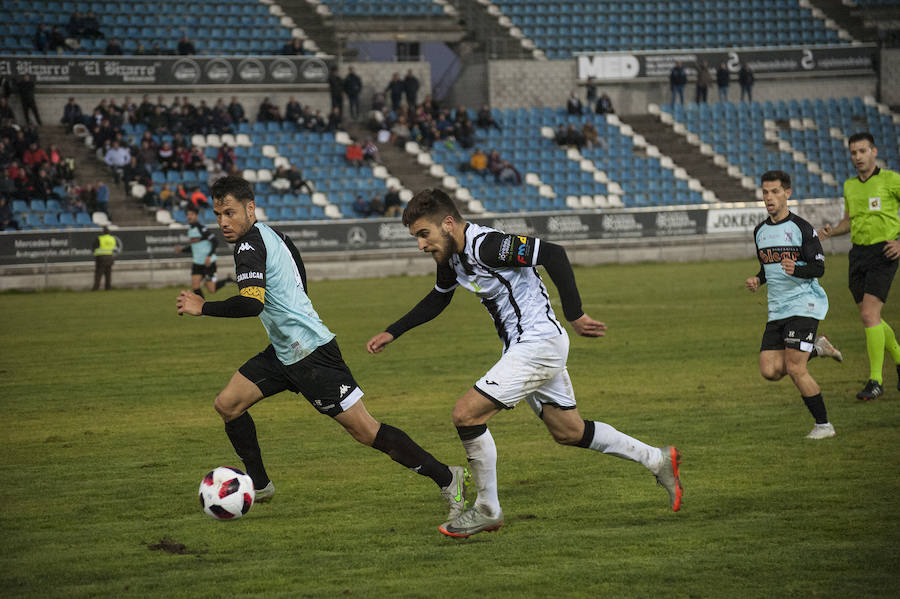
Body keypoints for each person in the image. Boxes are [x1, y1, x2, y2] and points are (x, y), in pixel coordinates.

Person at [365, 189, 683, 538]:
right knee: (569, 432)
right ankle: (657, 458)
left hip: (538, 345)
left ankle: (487, 508)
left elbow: (553, 254)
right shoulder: (450, 257)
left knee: (466, 415)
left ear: (448, 223)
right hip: (527, 348)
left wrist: (575, 314)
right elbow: (439, 298)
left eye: (424, 234)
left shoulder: (488, 245)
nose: (421, 245)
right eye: (416, 238)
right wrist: (392, 332)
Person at [175, 176, 470, 523]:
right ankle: (260, 482)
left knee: (365, 431)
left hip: (312, 356)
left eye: (230, 212)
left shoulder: (248, 246)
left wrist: (203, 307)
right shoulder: (272, 235)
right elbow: (298, 275)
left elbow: (251, 303)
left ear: (249, 208)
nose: (223, 221)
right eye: (218, 214)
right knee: (228, 404)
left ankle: (449, 477)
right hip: (286, 351)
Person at [745, 171, 843, 439]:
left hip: (804, 304)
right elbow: (768, 266)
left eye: (775, 192)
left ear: (787, 193)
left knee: (796, 368)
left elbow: (819, 267)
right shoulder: (760, 231)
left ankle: (824, 425)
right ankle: (817, 347)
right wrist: (758, 279)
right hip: (777, 309)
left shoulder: (801, 227)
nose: (769, 198)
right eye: (765, 192)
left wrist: (797, 270)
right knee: (770, 370)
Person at [817, 132, 900, 400]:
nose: (858, 157)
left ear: (874, 152)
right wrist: (832, 230)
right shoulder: (850, 185)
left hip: (884, 251)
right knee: (870, 317)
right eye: (853, 152)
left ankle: (875, 381)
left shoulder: (891, 180)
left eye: (862, 151)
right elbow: (849, 220)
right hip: (859, 255)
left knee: (868, 316)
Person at [175, 205, 231, 297]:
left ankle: (227, 280)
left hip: (208, 263)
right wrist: (182, 250)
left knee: (211, 290)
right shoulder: (190, 230)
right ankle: (202, 308)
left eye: (191, 214)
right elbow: (194, 247)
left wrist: (209, 256)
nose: (189, 216)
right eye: (188, 215)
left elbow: (215, 241)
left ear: (196, 216)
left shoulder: (201, 228)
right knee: (195, 286)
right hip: (197, 263)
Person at [92, 226, 118, 291]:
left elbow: (94, 247)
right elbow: (115, 248)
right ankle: (108, 288)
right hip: (110, 257)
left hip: (101, 258)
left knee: (98, 274)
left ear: (102, 232)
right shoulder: (112, 238)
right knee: (108, 274)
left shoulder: (100, 238)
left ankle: (96, 288)